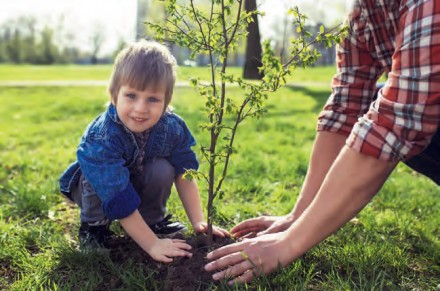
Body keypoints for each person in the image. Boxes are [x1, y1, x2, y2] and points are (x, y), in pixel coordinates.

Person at [204, 0, 439, 284]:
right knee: (379, 97)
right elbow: (346, 105)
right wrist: (298, 216)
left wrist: (288, 244)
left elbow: (402, 116)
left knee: (396, 100)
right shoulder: (362, 11)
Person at [59, 40, 228, 263]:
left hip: (135, 178)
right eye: (131, 96)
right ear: (114, 94)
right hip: (101, 190)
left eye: (153, 99)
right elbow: (116, 194)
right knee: (96, 177)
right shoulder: (101, 138)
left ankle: (151, 220)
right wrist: (152, 245)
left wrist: (198, 221)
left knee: (163, 168)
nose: (140, 108)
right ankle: (94, 228)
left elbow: (185, 171)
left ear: (166, 102)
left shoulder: (171, 127)